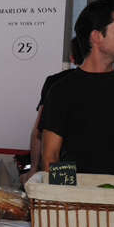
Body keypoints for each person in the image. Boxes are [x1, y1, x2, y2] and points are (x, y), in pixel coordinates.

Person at [39, 0, 114, 175]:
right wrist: (69, 199)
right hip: (78, 197)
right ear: (97, 36)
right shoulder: (62, 90)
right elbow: (52, 156)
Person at [19, 38, 82, 185]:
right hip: (112, 175)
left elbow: (39, 130)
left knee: (64, 205)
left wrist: (34, 169)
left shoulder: (57, 82)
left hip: (64, 165)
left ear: (72, 58)